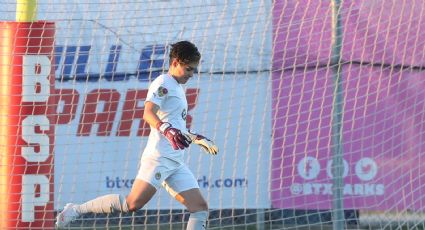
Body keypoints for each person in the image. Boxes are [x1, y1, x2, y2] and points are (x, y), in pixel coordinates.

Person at [56, 40, 218, 229]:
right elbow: (148, 112)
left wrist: (195, 137)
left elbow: (176, 126)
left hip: (175, 161)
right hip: (159, 157)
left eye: (194, 70)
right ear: (175, 63)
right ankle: (76, 210)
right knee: (132, 204)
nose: (192, 74)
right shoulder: (163, 82)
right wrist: (165, 128)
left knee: (199, 208)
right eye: (189, 69)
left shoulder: (178, 88)